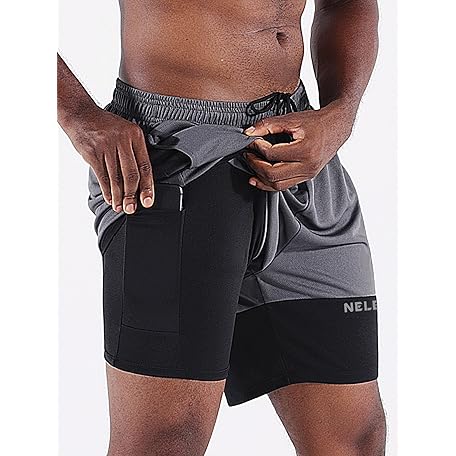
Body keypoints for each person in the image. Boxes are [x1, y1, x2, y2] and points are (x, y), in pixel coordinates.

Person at [57, 0, 386, 454]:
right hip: (174, 154)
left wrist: (341, 114)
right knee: (166, 443)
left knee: (354, 440)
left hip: (299, 151)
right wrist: (77, 114)